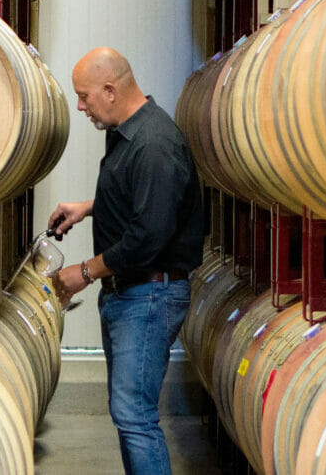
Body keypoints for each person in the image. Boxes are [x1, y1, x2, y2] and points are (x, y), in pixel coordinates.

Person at [48, 47, 204, 475]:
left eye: (84, 96)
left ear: (111, 90)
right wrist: (90, 207)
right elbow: (144, 200)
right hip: (131, 293)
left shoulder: (154, 143)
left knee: (135, 416)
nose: (80, 106)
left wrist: (84, 272)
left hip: (150, 294)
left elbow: (149, 235)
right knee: (128, 413)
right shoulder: (128, 132)